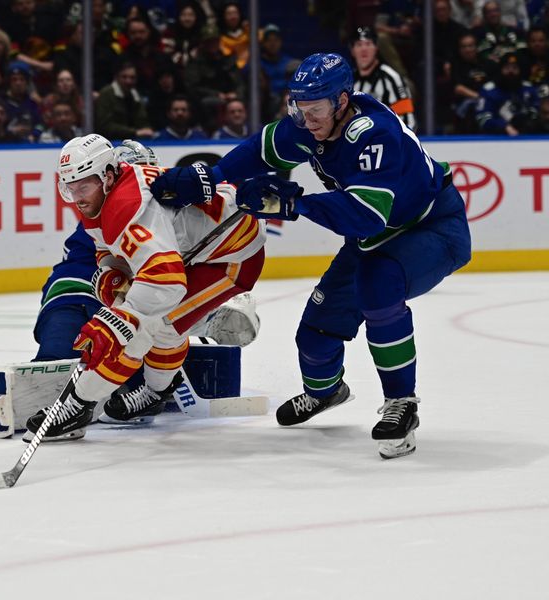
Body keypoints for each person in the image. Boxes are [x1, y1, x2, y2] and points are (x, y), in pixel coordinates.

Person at [148, 52, 472, 459]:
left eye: (315, 109)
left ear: (342, 101)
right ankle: (326, 391)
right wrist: (211, 178)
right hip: (374, 237)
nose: (306, 119)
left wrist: (295, 204)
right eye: (298, 109)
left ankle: (401, 404)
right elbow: (261, 149)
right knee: (315, 335)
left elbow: (366, 219)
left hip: (432, 227)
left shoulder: (374, 135)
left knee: (378, 285)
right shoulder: (311, 122)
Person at [20, 133, 266, 441]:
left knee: (152, 325)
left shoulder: (127, 205)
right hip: (192, 250)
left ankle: (80, 404)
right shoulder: (101, 200)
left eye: (84, 186)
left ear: (108, 176)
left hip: (231, 256)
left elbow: (167, 281)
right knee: (156, 324)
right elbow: (109, 247)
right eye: (70, 188)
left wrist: (119, 320)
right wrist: (114, 271)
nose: (78, 196)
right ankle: (154, 391)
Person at [350, 26, 417, 131]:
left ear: (376, 48)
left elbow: (408, 121)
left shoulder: (391, 78)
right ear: (352, 50)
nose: (364, 49)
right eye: (359, 45)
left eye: (368, 44)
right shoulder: (349, 81)